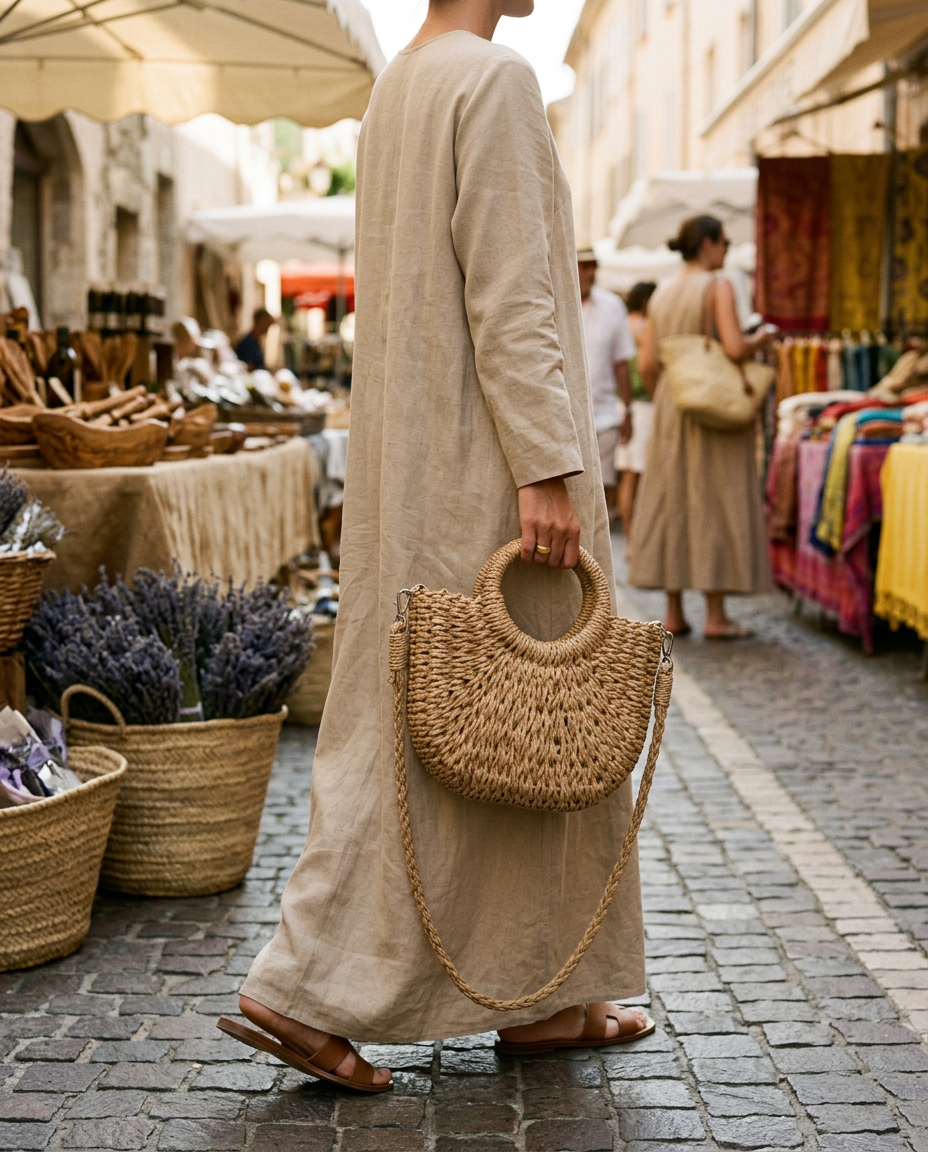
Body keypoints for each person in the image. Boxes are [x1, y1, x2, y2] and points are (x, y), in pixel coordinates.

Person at [225, 0, 653, 1093]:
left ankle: (546, 992)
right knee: (510, 722)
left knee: (452, 726)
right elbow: (513, 296)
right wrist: (546, 465)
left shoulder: (400, 86)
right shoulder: (494, 79)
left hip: (412, 472)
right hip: (486, 471)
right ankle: (299, 983)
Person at [629, 215, 775, 639]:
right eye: (724, 242)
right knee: (715, 500)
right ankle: (716, 615)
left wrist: (668, 396)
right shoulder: (719, 285)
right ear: (708, 244)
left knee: (673, 502)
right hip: (714, 409)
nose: (727, 251)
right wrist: (761, 340)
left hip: (673, 407)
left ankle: (673, 614)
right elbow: (733, 346)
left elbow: (646, 362)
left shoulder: (663, 293)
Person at [578, 248, 635, 521]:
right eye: (583, 266)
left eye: (593, 266)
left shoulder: (612, 307)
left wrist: (628, 409)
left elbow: (621, 363)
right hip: (564, 414)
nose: (590, 273)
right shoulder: (552, 301)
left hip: (603, 414)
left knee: (602, 487)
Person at [615, 281, 656, 548]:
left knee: (628, 474)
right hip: (641, 404)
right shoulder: (644, 327)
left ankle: (631, 538)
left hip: (623, 404)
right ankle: (637, 541)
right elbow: (644, 367)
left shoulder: (624, 323)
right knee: (639, 475)